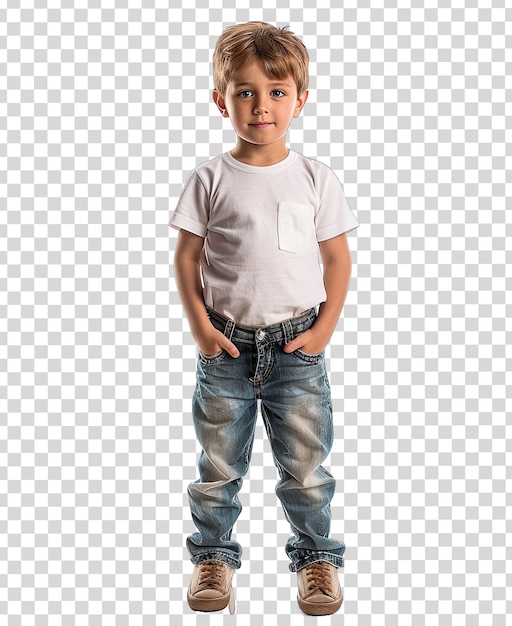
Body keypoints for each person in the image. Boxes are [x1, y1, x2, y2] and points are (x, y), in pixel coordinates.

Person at [170, 21, 358, 616]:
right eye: (245, 92)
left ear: (300, 99)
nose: (260, 106)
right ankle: (213, 557)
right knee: (219, 463)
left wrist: (323, 329)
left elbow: (336, 257)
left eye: (277, 92)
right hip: (225, 346)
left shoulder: (313, 177)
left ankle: (317, 560)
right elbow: (187, 256)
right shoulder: (210, 178)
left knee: (305, 466)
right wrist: (202, 326)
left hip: (297, 346)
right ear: (220, 99)